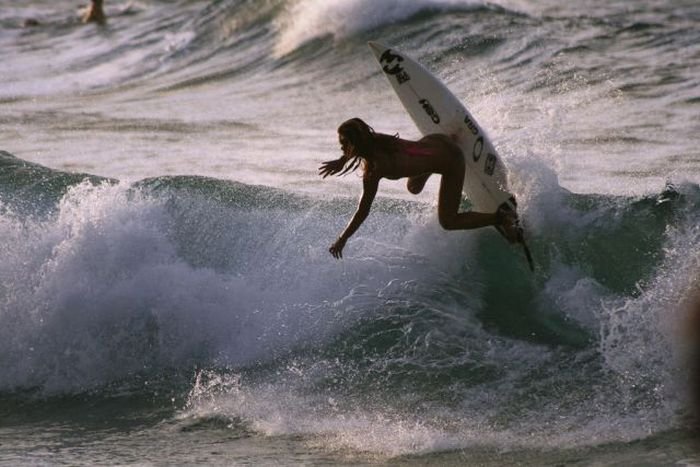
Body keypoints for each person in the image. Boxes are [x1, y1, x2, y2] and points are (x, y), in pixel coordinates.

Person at [319, 118, 519, 259]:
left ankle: (501, 217)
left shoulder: (374, 170)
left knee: (448, 222)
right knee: (413, 187)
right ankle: (449, 142)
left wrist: (342, 239)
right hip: (438, 140)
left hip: (452, 160)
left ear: (353, 145)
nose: (341, 149)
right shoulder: (379, 141)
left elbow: (363, 211)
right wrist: (342, 160)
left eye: (342, 145)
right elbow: (362, 140)